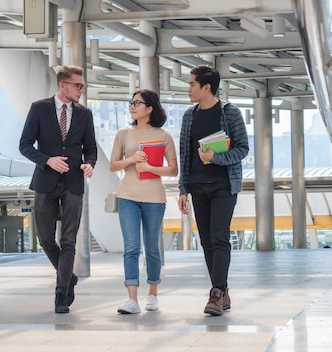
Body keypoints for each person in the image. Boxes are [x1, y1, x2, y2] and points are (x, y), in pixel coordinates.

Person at [19, 65, 97, 314]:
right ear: (63, 85)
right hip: (45, 181)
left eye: (83, 86)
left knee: (69, 239)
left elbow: (91, 148)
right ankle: (69, 276)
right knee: (45, 239)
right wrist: (47, 160)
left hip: (74, 182)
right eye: (78, 85)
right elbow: (25, 145)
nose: (82, 90)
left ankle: (61, 293)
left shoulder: (85, 114)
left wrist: (89, 164)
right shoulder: (39, 108)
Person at [177, 65, 249, 316]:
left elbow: (242, 149)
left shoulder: (230, 112)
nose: (188, 89)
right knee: (207, 241)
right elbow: (185, 154)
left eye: (192, 84)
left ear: (206, 87)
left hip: (223, 185)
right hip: (197, 186)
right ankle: (223, 290)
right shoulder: (189, 115)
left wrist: (216, 157)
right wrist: (183, 188)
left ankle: (216, 293)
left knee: (219, 238)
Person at [109, 89, 178, 314]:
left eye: (138, 103)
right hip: (127, 195)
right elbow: (113, 165)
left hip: (154, 198)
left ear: (150, 108)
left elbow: (173, 169)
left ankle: (153, 293)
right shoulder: (124, 134)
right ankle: (132, 300)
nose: (133, 106)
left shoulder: (164, 136)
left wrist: (149, 167)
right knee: (131, 248)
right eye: (131, 102)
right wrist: (131, 159)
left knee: (152, 248)